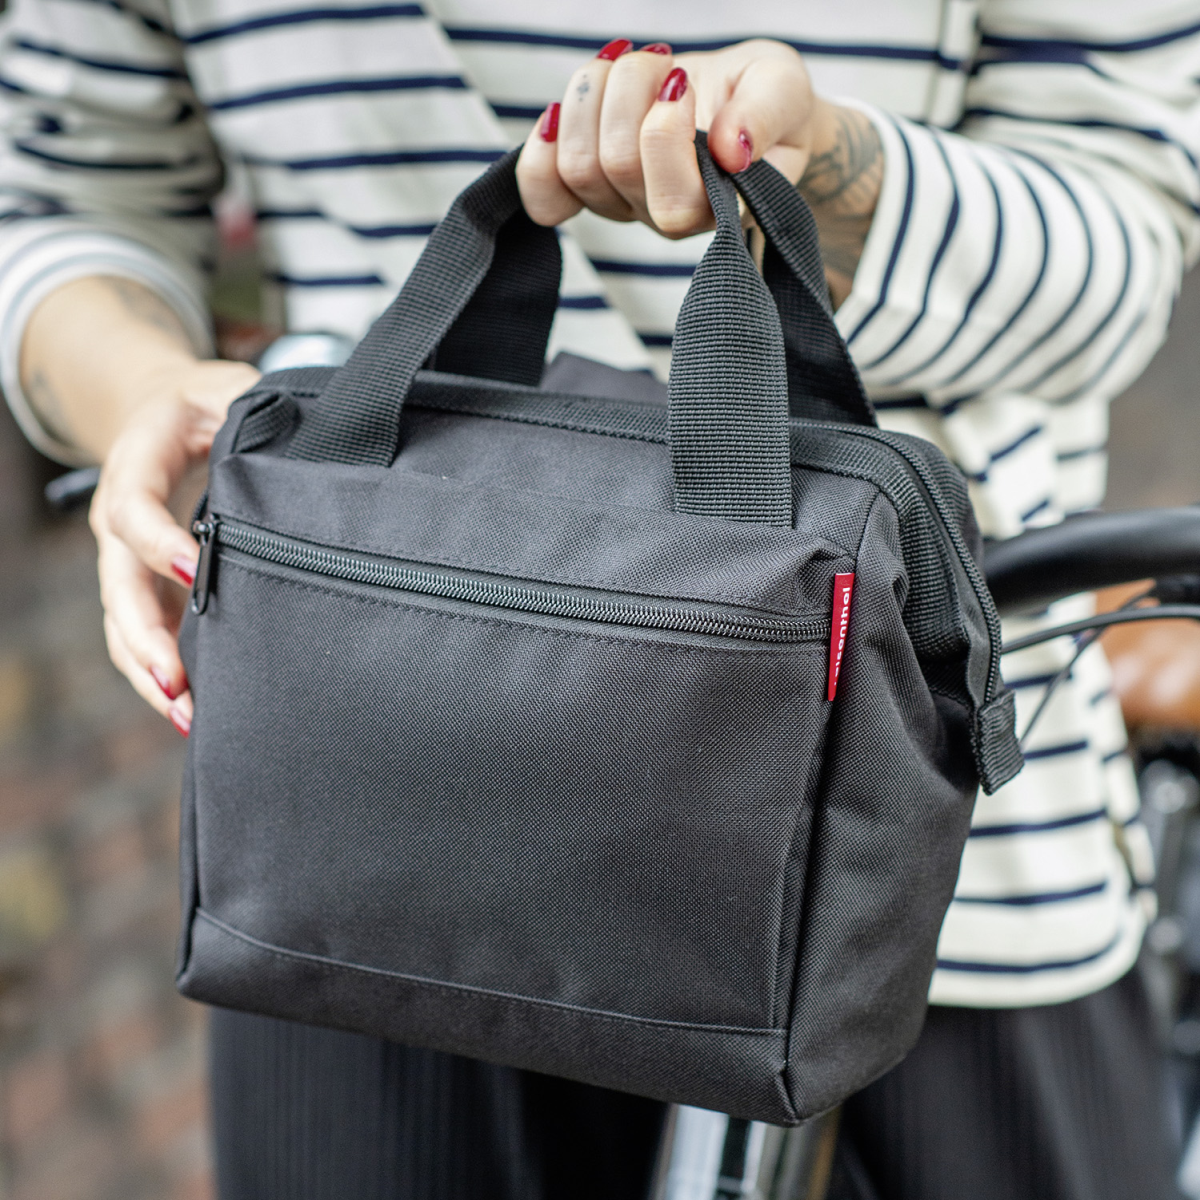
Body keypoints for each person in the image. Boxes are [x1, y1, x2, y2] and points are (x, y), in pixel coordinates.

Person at [1, 2, 1198, 1197]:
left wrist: (829, 162)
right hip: (347, 885)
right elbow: (61, 195)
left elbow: (1122, 244)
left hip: (940, 912)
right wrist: (148, 393)